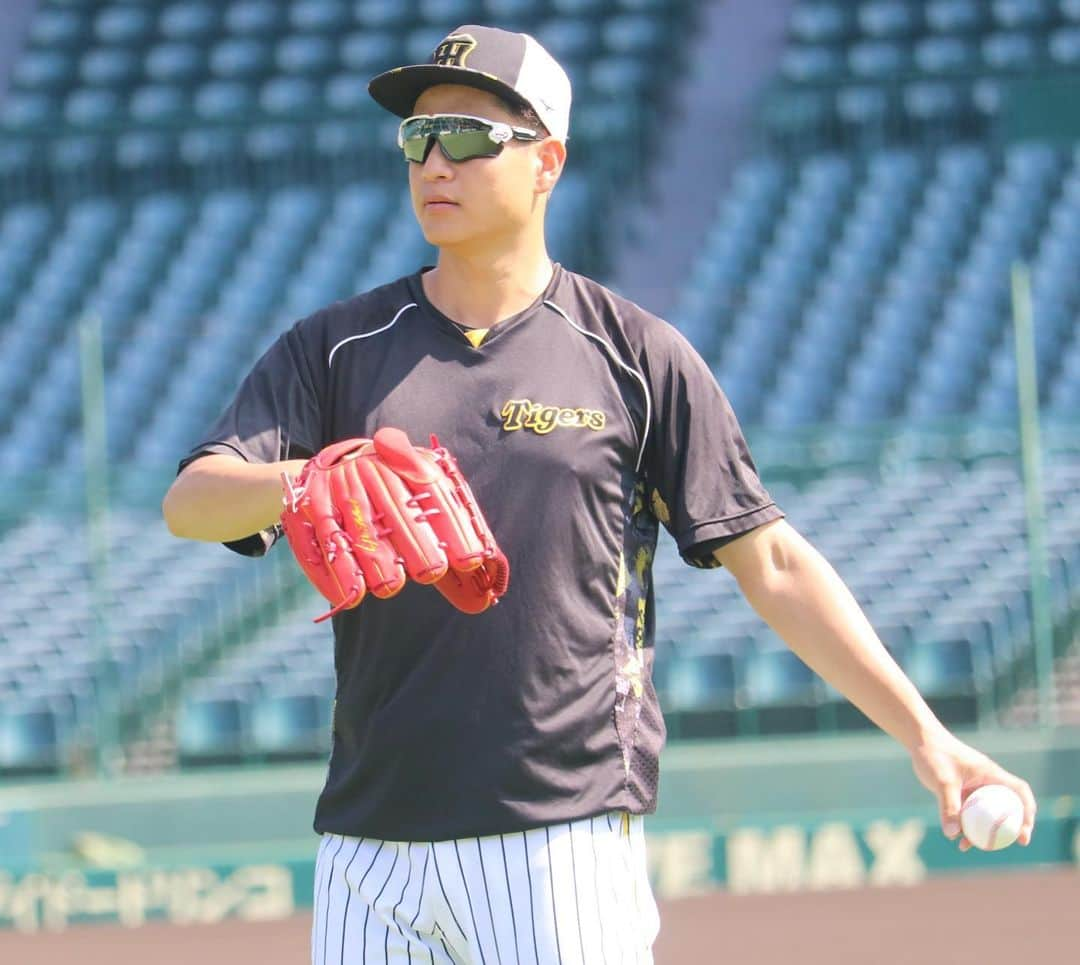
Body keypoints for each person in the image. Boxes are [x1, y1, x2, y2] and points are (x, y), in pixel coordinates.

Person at [162, 24, 1037, 965]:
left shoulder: (632, 353)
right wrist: (304, 477)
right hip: (368, 844)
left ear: (549, 161)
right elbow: (193, 500)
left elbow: (773, 560)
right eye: (417, 138)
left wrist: (928, 736)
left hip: (559, 835)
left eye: (467, 135)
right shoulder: (334, 347)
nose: (433, 161)